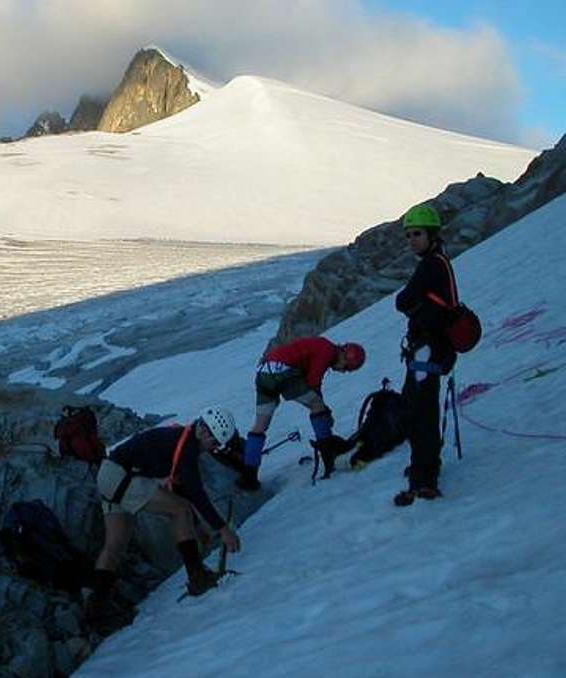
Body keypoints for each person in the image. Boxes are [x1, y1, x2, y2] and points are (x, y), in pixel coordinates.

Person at [86, 406, 243, 631]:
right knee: (179, 510)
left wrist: (198, 527)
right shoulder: (188, 446)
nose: (214, 449)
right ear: (207, 433)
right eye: (215, 443)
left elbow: (182, 487)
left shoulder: (182, 438)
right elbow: (194, 493)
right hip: (121, 476)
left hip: (109, 475)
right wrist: (222, 529)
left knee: (114, 547)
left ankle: (96, 612)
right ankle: (197, 577)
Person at [237, 337, 366, 491]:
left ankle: (249, 476)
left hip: (264, 372)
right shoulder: (327, 350)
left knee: (260, 426)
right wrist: (325, 412)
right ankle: (328, 454)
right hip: (282, 370)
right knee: (317, 405)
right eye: (347, 367)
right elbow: (313, 383)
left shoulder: (323, 347)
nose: (343, 371)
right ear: (345, 355)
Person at [393, 203, 457, 506]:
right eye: (408, 235)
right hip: (432, 348)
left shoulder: (431, 265)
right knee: (417, 406)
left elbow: (403, 299)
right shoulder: (438, 262)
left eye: (416, 234)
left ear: (432, 234)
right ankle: (426, 464)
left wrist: (411, 304)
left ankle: (424, 476)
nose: (411, 240)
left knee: (421, 411)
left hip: (428, 348)